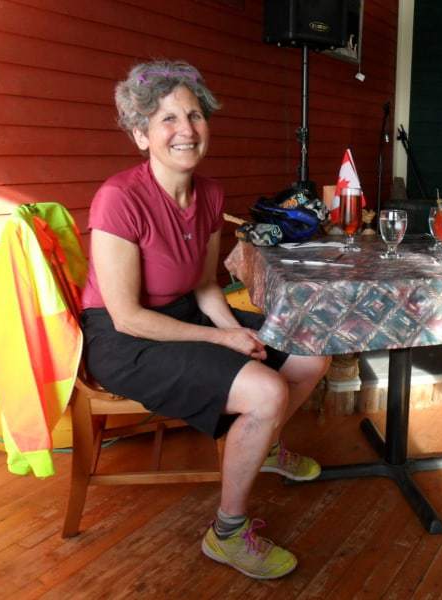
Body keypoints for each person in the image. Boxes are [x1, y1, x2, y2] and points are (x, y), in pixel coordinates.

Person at [80, 60, 330, 579]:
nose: (186, 130)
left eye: (194, 115)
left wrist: (230, 330)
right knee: (265, 391)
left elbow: (204, 284)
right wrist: (221, 338)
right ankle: (228, 533)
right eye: (167, 118)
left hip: (184, 312)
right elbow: (127, 316)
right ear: (141, 135)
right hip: (126, 339)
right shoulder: (118, 199)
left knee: (311, 355)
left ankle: (264, 443)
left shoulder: (210, 194)